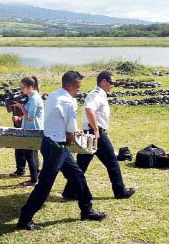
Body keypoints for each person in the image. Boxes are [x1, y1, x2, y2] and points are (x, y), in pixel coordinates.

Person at [16, 71, 107, 231]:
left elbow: (61, 121)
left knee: (77, 175)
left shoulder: (54, 95)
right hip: (56, 147)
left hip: (51, 143)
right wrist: (74, 141)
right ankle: (25, 219)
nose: (79, 91)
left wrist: (71, 132)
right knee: (45, 184)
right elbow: (70, 134)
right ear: (69, 85)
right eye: (78, 88)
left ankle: (87, 210)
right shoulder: (68, 101)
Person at [62, 71, 135, 200]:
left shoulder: (99, 95)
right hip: (96, 134)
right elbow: (89, 109)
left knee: (81, 165)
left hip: (91, 132)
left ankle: (70, 191)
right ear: (104, 82)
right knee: (112, 163)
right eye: (111, 82)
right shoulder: (96, 95)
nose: (113, 85)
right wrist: (96, 129)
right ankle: (120, 191)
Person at [11, 76, 44, 187]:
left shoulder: (34, 98)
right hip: (29, 129)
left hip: (33, 129)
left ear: (30, 87)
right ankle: (34, 179)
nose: (21, 90)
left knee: (30, 155)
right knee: (29, 154)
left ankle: (34, 180)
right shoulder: (31, 97)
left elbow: (30, 117)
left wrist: (21, 107)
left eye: (23, 87)